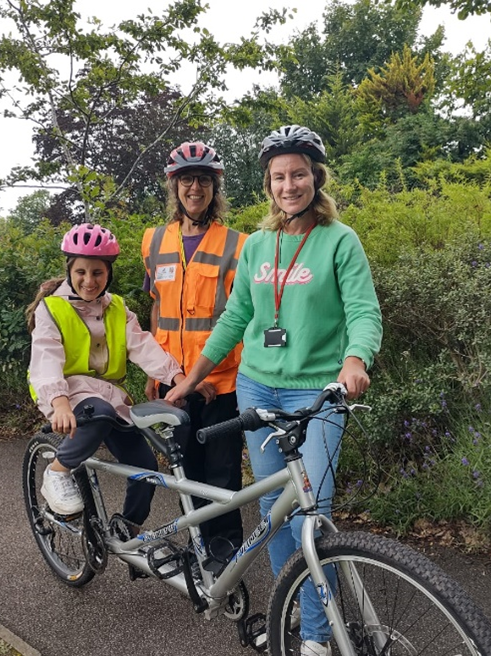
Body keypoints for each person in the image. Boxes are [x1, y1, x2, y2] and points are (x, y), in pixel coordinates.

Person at [165, 125, 382, 656]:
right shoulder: (258, 244)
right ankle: (296, 616)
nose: (290, 185)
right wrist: (192, 378)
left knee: (313, 512)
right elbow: (236, 315)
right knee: (275, 515)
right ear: (269, 184)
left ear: (316, 178)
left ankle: (312, 637)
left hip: (316, 394)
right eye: (280, 176)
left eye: (299, 174)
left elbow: (363, 310)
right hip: (257, 388)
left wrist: (356, 358)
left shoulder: (340, 240)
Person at [27, 223, 185, 535]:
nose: (89, 280)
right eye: (81, 272)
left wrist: (176, 376)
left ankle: (128, 527)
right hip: (67, 393)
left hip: (111, 398)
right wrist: (59, 404)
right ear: (70, 271)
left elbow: (143, 346)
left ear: (108, 274)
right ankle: (57, 472)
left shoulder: (117, 308)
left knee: (147, 469)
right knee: (98, 413)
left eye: (97, 273)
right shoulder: (52, 309)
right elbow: (46, 359)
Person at [141, 141, 248, 561]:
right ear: (175, 186)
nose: (195, 188)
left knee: (221, 471)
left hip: (220, 383)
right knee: (186, 471)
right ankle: (198, 543)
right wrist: (157, 370)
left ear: (214, 187)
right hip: (172, 385)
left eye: (203, 180)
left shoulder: (237, 244)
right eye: (187, 179)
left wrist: (199, 376)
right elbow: (157, 308)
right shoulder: (153, 241)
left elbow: (239, 317)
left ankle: (226, 550)